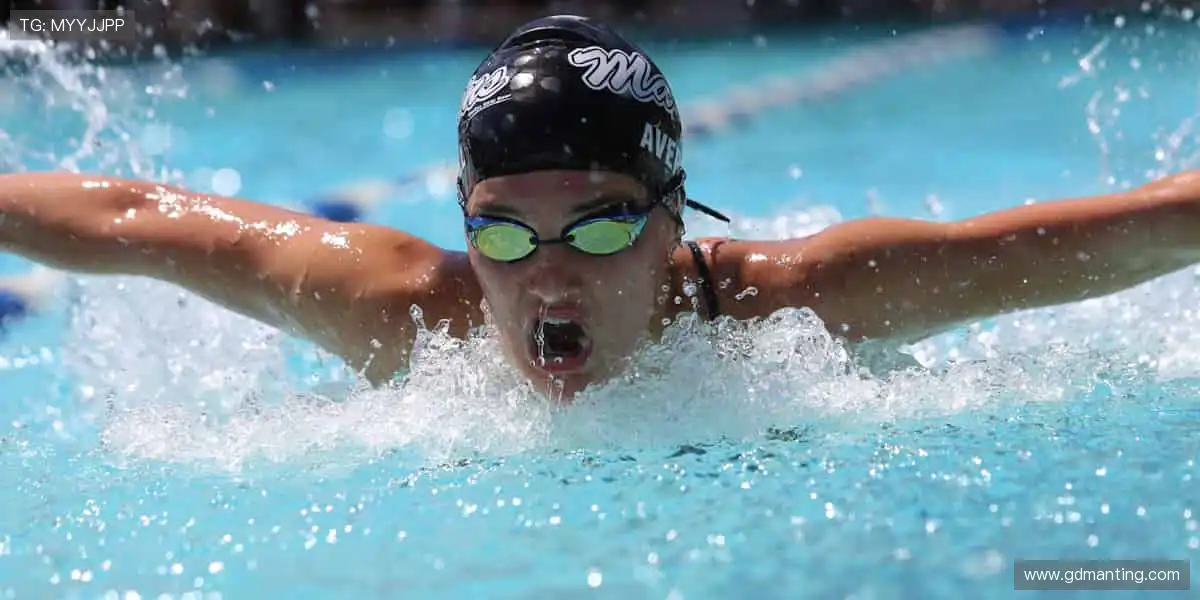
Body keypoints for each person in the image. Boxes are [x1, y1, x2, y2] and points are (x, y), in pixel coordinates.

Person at [1, 14, 1199, 400]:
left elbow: (1107, 240)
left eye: (606, 222)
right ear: (467, 220)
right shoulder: (414, 317)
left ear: (678, 221)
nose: (549, 276)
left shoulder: (796, 310)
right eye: (506, 232)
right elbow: (130, 220)